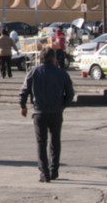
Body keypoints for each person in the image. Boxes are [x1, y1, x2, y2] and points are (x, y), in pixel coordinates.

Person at [19, 48, 75, 182]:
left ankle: (44, 173)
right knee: (55, 141)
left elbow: (24, 90)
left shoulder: (33, 72)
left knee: (41, 142)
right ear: (54, 58)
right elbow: (70, 94)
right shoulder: (62, 73)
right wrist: (62, 106)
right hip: (56, 112)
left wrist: (23, 106)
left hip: (39, 112)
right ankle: (53, 170)